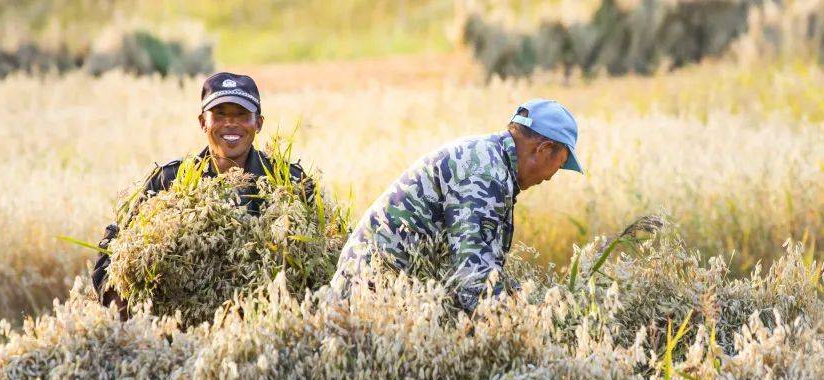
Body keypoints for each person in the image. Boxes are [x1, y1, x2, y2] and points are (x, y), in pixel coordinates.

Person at [91, 72, 311, 317]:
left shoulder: (289, 182)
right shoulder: (169, 181)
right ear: (202, 122)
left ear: (258, 124)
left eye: (241, 115)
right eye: (220, 114)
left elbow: (325, 253)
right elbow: (115, 248)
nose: (230, 123)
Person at [331, 98, 582, 312]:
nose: (550, 177)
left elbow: (483, 261)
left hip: (384, 294)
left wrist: (523, 299)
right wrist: (525, 326)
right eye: (558, 166)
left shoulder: (491, 160)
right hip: (366, 300)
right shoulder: (485, 174)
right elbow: (473, 278)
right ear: (543, 148)